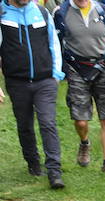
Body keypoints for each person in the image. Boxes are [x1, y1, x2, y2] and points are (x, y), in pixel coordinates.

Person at [0, 0, 66, 189]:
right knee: (25, 125)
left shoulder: (42, 12)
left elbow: (53, 42)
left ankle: (54, 171)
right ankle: (33, 163)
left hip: (45, 80)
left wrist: (56, 74)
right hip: (17, 82)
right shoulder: (2, 14)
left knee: (48, 123)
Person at [54, 0, 105, 178]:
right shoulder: (61, 13)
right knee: (80, 120)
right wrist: (61, 69)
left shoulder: (104, 11)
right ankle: (84, 142)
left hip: (103, 67)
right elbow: (56, 41)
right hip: (76, 68)